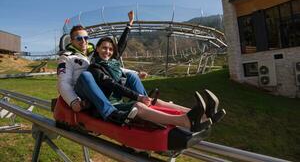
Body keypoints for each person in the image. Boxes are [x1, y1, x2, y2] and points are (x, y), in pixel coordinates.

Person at [85, 10, 223, 132]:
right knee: (139, 105)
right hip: (112, 106)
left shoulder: (113, 60)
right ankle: (185, 121)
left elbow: (122, 43)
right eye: (103, 48)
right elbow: (112, 85)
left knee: (152, 101)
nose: (107, 51)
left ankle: (203, 114)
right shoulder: (95, 68)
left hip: (122, 99)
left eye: (110, 49)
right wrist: (139, 97)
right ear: (97, 48)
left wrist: (130, 24)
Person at [57, 14, 144, 124]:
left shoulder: (93, 55)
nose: (83, 41)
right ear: (72, 41)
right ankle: (110, 113)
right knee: (86, 75)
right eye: (79, 38)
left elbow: (114, 61)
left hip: (98, 89)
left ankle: (147, 102)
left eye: (85, 38)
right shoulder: (67, 58)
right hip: (81, 94)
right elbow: (63, 83)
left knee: (131, 76)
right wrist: (73, 101)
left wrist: (136, 73)